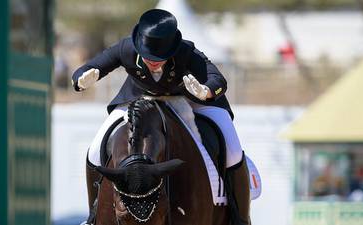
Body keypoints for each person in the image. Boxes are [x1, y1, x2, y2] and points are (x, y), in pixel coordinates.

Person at [72, 9, 250, 225]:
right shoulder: (126, 48)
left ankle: (239, 217)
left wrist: (206, 91)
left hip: (189, 99)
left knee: (231, 148)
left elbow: (217, 79)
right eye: (148, 56)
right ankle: (92, 216)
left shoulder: (186, 52)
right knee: (94, 150)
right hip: (139, 99)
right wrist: (81, 79)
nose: (153, 62)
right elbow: (91, 66)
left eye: (159, 57)